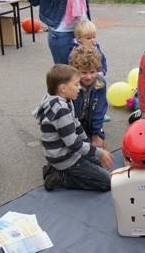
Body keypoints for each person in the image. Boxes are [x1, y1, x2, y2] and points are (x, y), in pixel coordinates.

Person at [33, 64, 113, 192]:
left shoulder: (67, 100)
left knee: (98, 163)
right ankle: (61, 177)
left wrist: (92, 149)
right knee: (107, 183)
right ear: (63, 88)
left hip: (71, 153)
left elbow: (76, 124)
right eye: (76, 85)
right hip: (66, 158)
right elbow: (74, 144)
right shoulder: (61, 110)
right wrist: (99, 152)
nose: (79, 87)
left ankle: (58, 169)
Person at [69, 46, 108, 149]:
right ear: (76, 70)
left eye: (92, 72)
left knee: (99, 145)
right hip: (72, 122)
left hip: (88, 120)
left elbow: (99, 110)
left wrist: (96, 134)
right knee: (77, 148)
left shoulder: (100, 83)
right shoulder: (70, 85)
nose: (89, 77)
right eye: (84, 72)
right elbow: (67, 115)